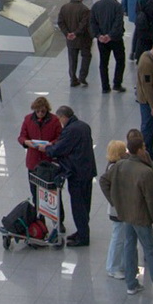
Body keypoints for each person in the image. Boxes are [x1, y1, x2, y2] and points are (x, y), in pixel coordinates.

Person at [101, 130, 153, 296]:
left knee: (129, 246)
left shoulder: (120, 165)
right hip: (141, 216)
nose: (145, 149)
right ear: (139, 150)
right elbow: (151, 200)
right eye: (143, 147)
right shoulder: (145, 172)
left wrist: (115, 201)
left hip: (126, 214)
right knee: (150, 251)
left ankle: (131, 284)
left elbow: (103, 181)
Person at [49, 105, 95, 247]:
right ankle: (82, 231)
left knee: (78, 205)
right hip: (88, 171)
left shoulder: (70, 130)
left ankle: (83, 237)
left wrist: (48, 149)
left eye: (60, 119)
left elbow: (59, 148)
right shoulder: (84, 126)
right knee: (85, 203)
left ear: (64, 117)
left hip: (77, 173)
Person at [18, 95, 61, 203]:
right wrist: (26, 142)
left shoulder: (54, 120)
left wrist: (50, 144)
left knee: (52, 193)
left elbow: (60, 137)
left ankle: (58, 217)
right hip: (33, 162)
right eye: (38, 111)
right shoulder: (28, 119)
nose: (40, 114)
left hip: (48, 162)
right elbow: (21, 136)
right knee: (35, 193)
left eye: (43, 111)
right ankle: (39, 217)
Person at [91, 0, 127, 93]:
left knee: (103, 62)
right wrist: (110, 35)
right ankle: (117, 83)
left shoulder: (96, 6)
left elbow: (92, 23)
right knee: (120, 60)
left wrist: (99, 35)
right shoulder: (117, 6)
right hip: (115, 39)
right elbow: (118, 23)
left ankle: (105, 86)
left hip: (101, 40)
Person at [102, 138, 129, 278]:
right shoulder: (114, 168)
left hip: (119, 207)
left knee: (122, 237)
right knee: (118, 238)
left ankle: (122, 265)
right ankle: (113, 267)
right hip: (117, 209)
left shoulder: (114, 165)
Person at [57, 0, 93, 87]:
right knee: (86, 56)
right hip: (83, 39)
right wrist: (76, 33)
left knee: (72, 59)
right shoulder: (84, 9)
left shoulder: (64, 8)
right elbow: (84, 24)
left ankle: (73, 79)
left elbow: (60, 22)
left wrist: (67, 33)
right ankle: (82, 76)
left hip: (70, 40)